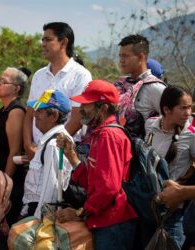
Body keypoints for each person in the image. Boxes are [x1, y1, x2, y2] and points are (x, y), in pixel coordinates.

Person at [55, 80, 137, 250]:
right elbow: (94, 182)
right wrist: (72, 156)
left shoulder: (109, 135)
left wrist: (81, 212)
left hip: (113, 223)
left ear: (103, 108)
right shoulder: (100, 134)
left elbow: (108, 188)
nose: (81, 108)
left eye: (87, 104)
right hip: (106, 221)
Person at [144, 86, 195, 248]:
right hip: (149, 206)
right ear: (166, 109)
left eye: (190, 107)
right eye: (183, 108)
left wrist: (183, 187)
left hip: (175, 210)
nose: (188, 112)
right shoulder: (150, 125)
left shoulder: (191, 134)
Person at [23, 22, 92, 160]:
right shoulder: (39, 75)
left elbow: (77, 119)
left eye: (48, 39)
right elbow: (30, 113)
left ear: (63, 42)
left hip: (63, 153)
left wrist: (49, 145)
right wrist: (28, 145)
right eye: (42, 40)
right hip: (36, 152)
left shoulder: (81, 75)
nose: (43, 44)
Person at [0, 67, 30, 249]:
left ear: (16, 89)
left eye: (3, 81)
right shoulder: (3, 111)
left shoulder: (16, 112)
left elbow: (14, 152)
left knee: (2, 237)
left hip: (8, 184)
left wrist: (4, 187)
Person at [21, 89, 73, 219]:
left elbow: (52, 187)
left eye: (40, 111)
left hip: (40, 213)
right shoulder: (50, 140)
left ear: (54, 117)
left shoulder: (54, 144)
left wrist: (40, 221)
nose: (35, 115)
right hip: (35, 209)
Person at [115, 34, 166, 138]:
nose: (121, 60)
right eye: (120, 56)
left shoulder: (155, 88)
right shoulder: (121, 84)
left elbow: (174, 119)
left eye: (126, 56)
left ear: (141, 57)